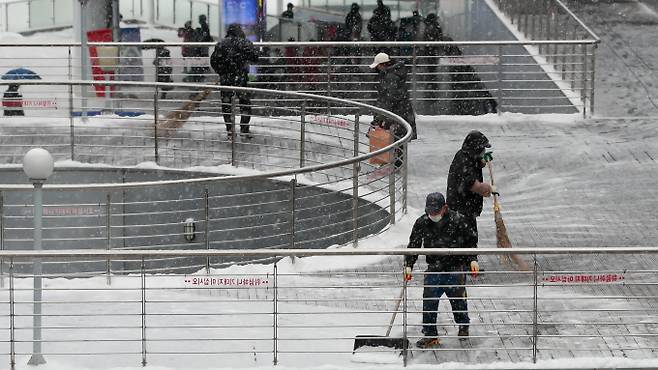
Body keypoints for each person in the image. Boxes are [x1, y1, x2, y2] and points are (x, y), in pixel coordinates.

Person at [403, 192, 479, 348]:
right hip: (434, 268)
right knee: (429, 301)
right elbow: (414, 245)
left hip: (454, 267)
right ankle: (430, 334)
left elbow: (470, 241)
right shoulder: (422, 222)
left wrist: (472, 259)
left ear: (445, 208)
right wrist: (409, 264)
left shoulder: (458, 220)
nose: (432, 215)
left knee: (458, 300)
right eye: (430, 212)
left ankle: (463, 325)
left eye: (436, 212)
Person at [446, 130, 495, 253]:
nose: (484, 150)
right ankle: (464, 263)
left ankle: (470, 262)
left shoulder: (468, 156)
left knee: (470, 237)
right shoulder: (464, 160)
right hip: (461, 207)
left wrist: (482, 161)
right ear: (476, 148)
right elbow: (471, 183)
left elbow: (475, 165)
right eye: (482, 148)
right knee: (464, 237)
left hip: (466, 207)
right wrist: (488, 189)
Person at [210, 24, 260, 138]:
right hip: (241, 79)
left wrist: (221, 72)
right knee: (245, 103)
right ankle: (244, 129)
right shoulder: (245, 43)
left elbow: (213, 61)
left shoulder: (221, 44)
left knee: (227, 104)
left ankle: (230, 130)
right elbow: (255, 58)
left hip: (226, 79)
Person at [369, 52, 417, 141]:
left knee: (395, 142)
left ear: (383, 64)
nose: (377, 68)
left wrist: (379, 118)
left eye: (378, 66)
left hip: (396, 114)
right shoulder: (394, 73)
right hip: (402, 112)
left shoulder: (390, 77)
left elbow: (389, 100)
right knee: (399, 143)